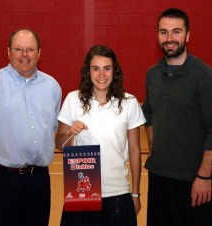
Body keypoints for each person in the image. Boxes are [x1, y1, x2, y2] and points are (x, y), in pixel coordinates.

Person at [0, 28, 62, 226]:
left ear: (39, 53)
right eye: (19, 49)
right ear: (8, 51)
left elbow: (51, 127)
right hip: (0, 179)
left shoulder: (52, 86)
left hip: (39, 180)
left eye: (30, 49)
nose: (24, 55)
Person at [142, 8, 212, 226]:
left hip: (193, 182)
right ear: (157, 35)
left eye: (176, 31)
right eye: (164, 32)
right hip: (159, 178)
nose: (170, 38)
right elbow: (149, 112)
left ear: (188, 35)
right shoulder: (152, 74)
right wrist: (154, 145)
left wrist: (204, 176)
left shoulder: (207, 77)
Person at [55, 45, 146, 226]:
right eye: (95, 69)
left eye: (107, 68)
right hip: (82, 193)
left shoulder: (129, 102)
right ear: (88, 72)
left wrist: (135, 193)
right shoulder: (73, 99)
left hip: (119, 193)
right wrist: (70, 133)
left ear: (114, 71)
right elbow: (59, 144)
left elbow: (135, 151)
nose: (101, 75)